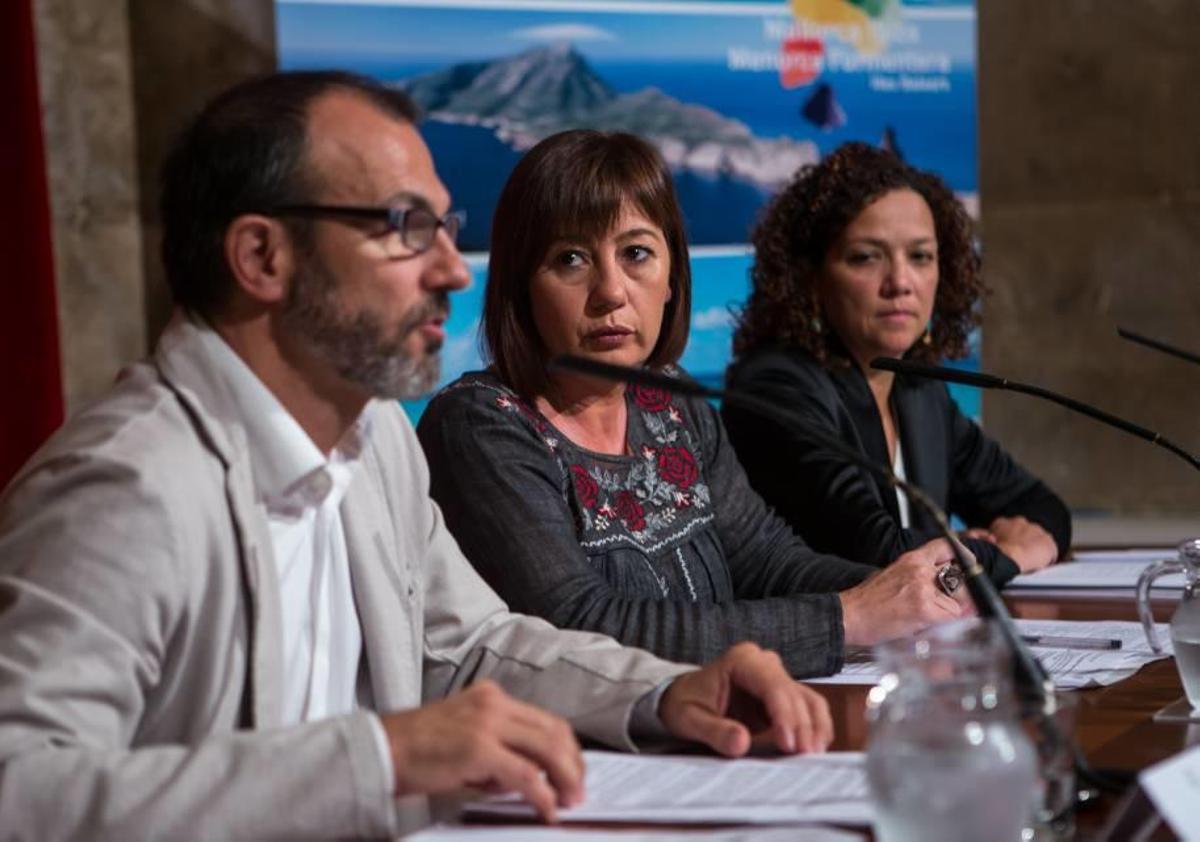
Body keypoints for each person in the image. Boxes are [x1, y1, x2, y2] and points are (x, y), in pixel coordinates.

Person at [0, 72, 837, 840]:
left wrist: (657, 691)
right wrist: (381, 760)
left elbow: (471, 646)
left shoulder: (375, 443)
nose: (451, 271)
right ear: (263, 257)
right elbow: (19, 788)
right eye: (407, 228)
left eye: (446, 228)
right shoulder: (129, 484)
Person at [417, 129, 969, 683]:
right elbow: (581, 627)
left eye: (636, 254)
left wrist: (907, 589)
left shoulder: (671, 401)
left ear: (672, 280)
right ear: (520, 288)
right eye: (571, 259)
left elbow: (766, 561)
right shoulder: (480, 423)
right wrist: (850, 616)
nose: (611, 291)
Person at [724, 142, 1071, 586]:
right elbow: (881, 554)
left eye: (921, 256)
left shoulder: (919, 390)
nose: (901, 283)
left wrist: (980, 549)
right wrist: (1011, 555)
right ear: (810, 277)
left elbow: (1042, 508)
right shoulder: (776, 388)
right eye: (867, 257)